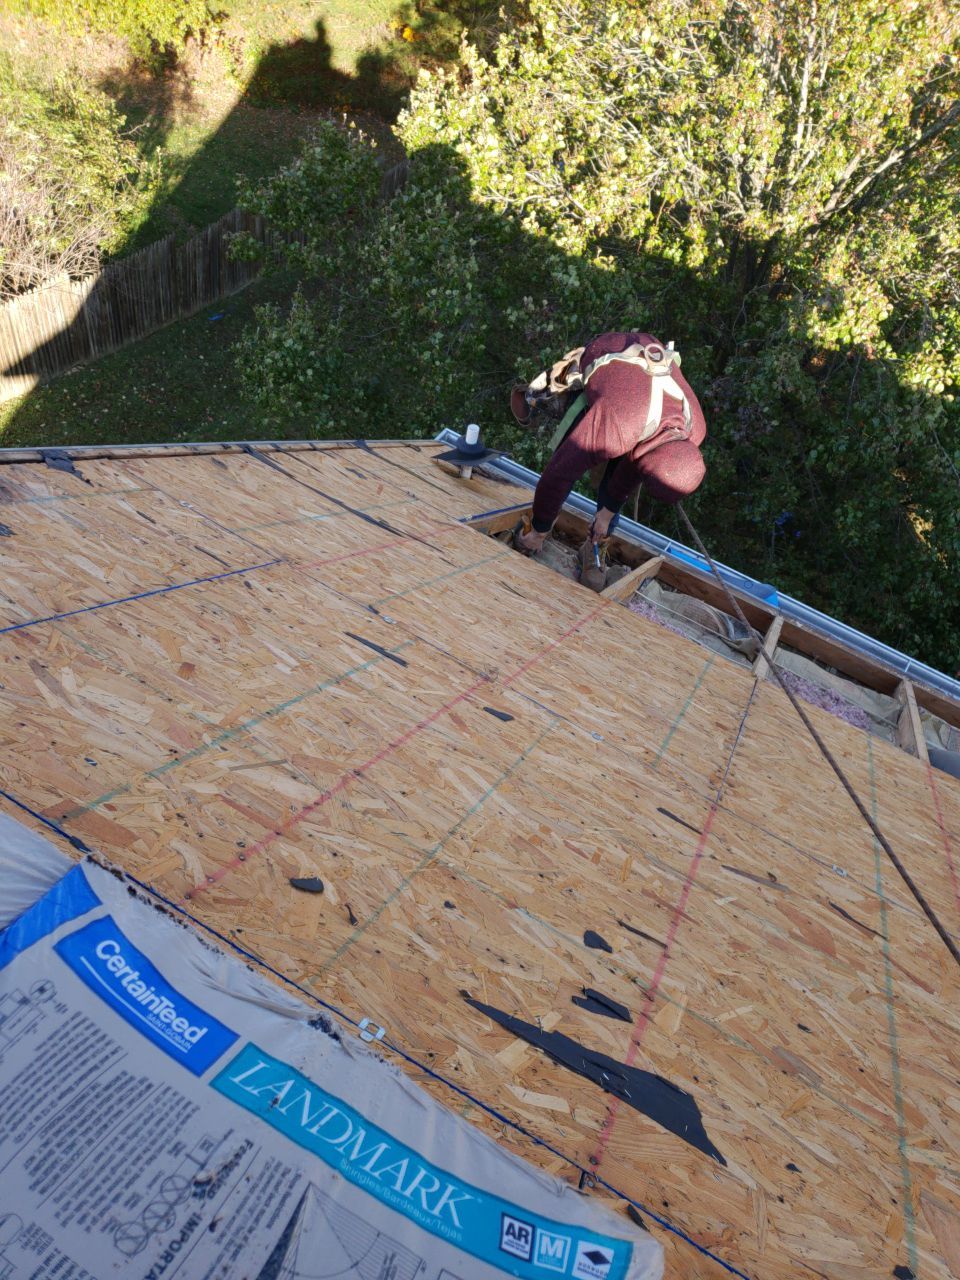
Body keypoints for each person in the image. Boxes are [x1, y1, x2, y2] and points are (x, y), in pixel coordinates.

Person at [513, 331, 707, 555]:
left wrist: (606, 514)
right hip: (611, 353)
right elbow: (558, 474)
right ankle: (540, 529)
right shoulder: (615, 426)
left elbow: (634, 470)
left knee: (620, 481)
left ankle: (595, 546)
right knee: (569, 460)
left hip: (636, 403)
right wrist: (539, 530)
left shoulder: (695, 430)